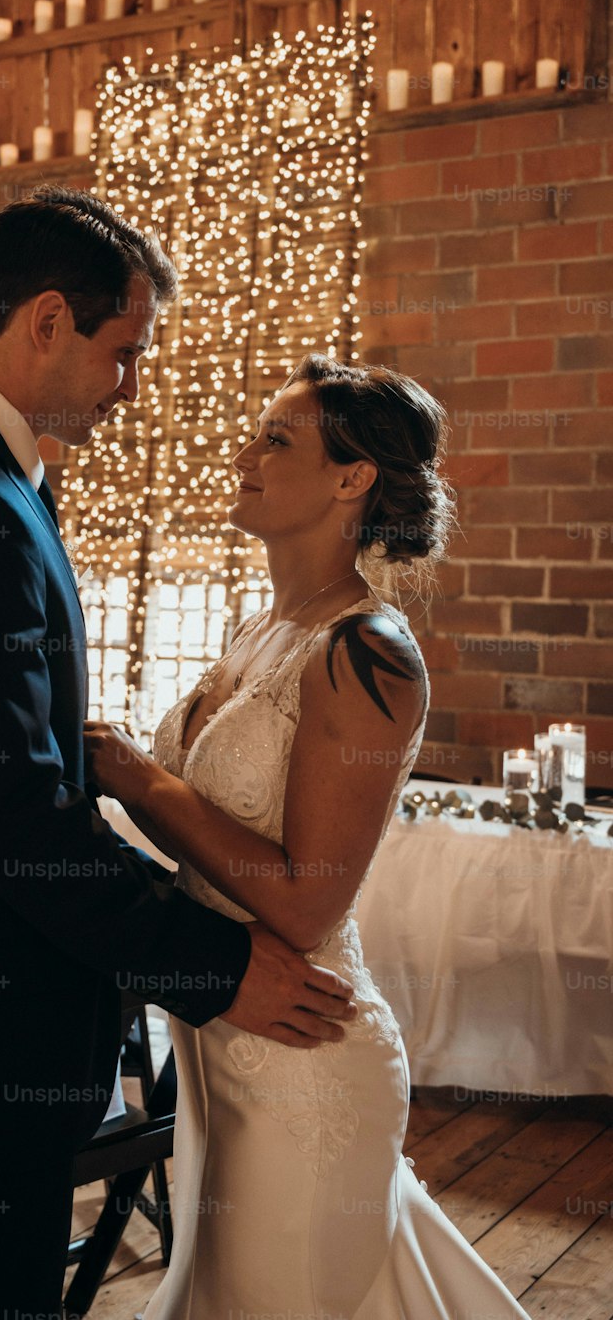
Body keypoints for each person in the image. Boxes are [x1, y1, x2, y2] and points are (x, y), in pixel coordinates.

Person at [0, 190, 358, 1319]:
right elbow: (12, 815)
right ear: (47, 321)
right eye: (124, 353)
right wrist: (209, 963)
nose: (131, 386)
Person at [86, 354, 532, 1319]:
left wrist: (139, 778)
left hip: (305, 1053)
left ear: (352, 476)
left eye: (276, 438)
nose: (245, 453)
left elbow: (307, 898)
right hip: (217, 1043)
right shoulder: (260, 630)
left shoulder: (368, 649)